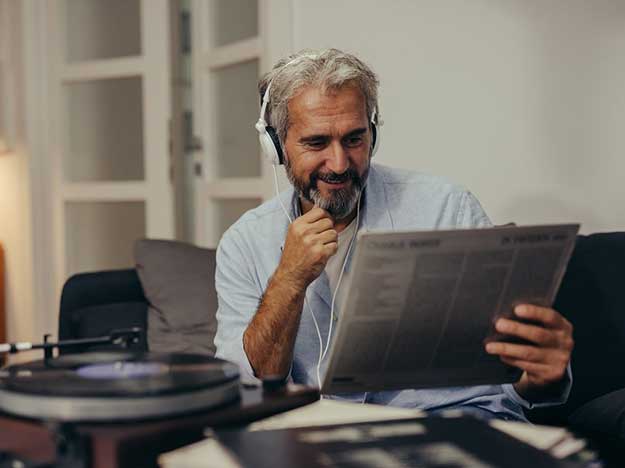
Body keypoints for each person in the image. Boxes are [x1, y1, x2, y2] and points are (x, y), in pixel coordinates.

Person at [214, 48, 573, 421]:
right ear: (276, 146)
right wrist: (289, 280)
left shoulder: (447, 207)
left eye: (354, 139)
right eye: (317, 143)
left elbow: (512, 379)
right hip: (320, 436)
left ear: (373, 133)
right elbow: (250, 390)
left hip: (459, 420)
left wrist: (541, 378)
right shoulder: (243, 243)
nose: (339, 164)